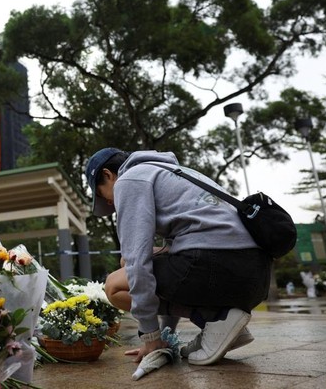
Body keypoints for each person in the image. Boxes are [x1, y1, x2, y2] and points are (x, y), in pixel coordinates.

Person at [85, 148, 272, 366]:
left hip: (220, 265)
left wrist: (151, 338)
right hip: (254, 275)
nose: (109, 203)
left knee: (115, 285)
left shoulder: (129, 180)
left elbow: (137, 261)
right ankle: (220, 322)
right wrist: (166, 335)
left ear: (108, 175)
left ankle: (215, 318)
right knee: (142, 259)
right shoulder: (172, 171)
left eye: (101, 194)